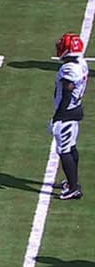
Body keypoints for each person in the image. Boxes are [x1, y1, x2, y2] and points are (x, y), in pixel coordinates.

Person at [52, 33, 86, 200]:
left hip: (67, 112)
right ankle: (73, 182)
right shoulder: (81, 63)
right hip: (75, 108)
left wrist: (58, 116)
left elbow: (68, 90)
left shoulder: (69, 68)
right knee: (71, 147)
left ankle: (73, 188)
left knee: (64, 150)